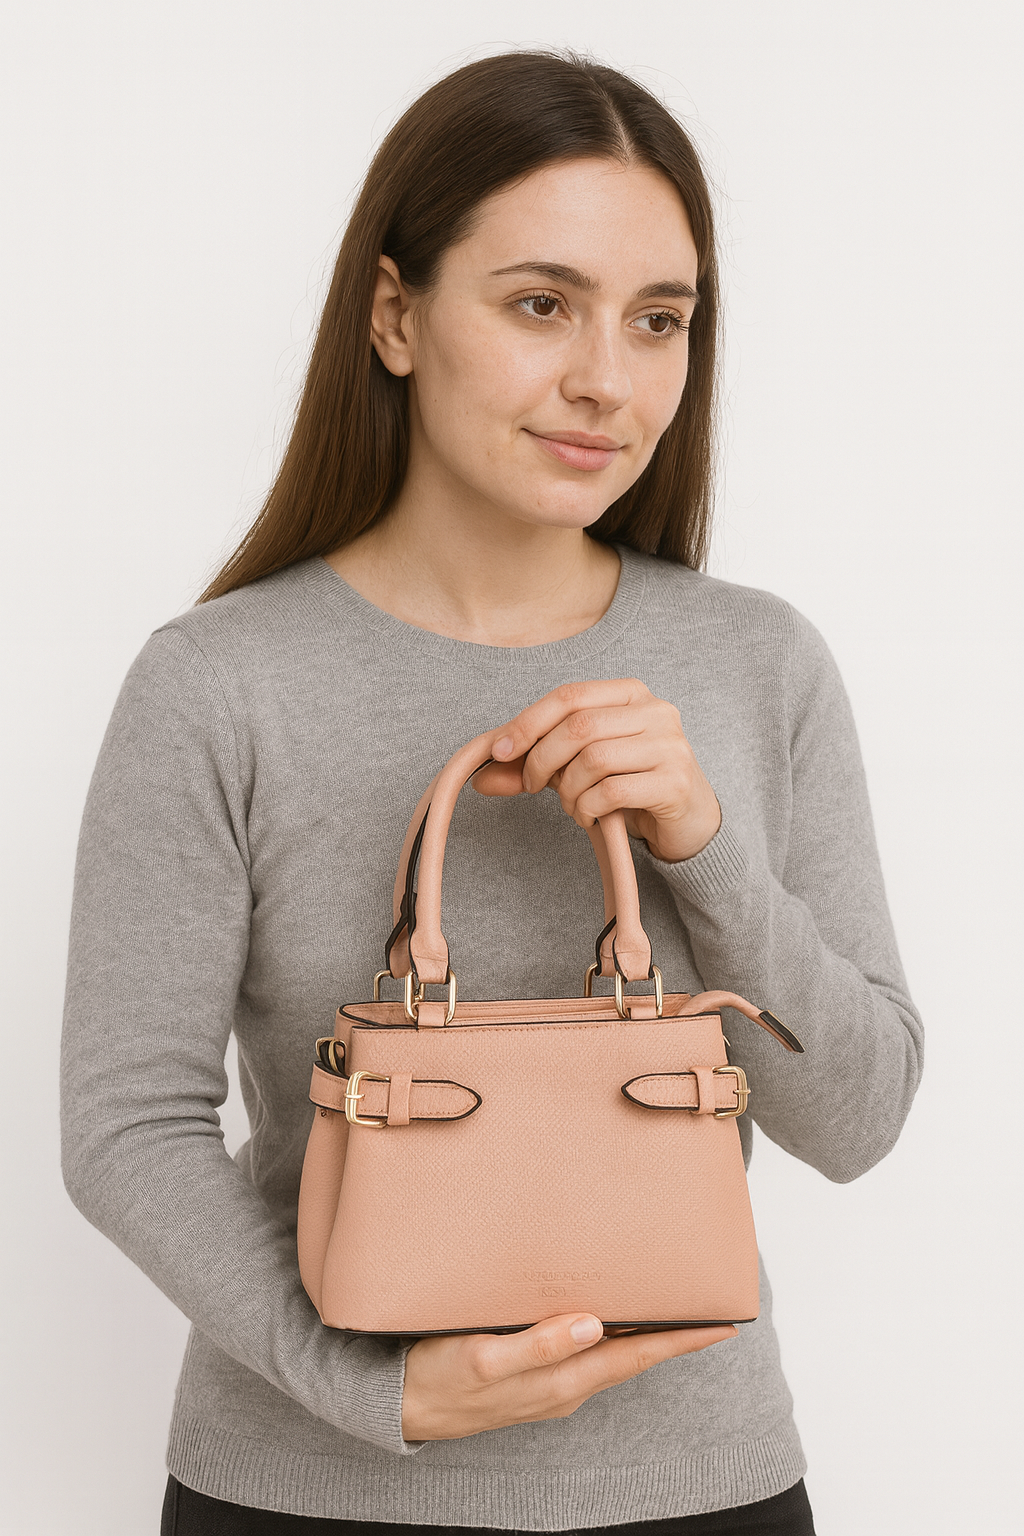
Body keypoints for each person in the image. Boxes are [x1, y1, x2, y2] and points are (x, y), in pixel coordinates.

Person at [60, 49, 924, 1536]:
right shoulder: (218, 682)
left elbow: (858, 1119)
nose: (608, 379)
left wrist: (707, 847)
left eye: (658, 321)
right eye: (540, 304)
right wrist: (371, 1387)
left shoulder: (759, 662)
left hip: (700, 1492)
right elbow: (125, 1127)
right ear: (395, 315)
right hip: (305, 1495)